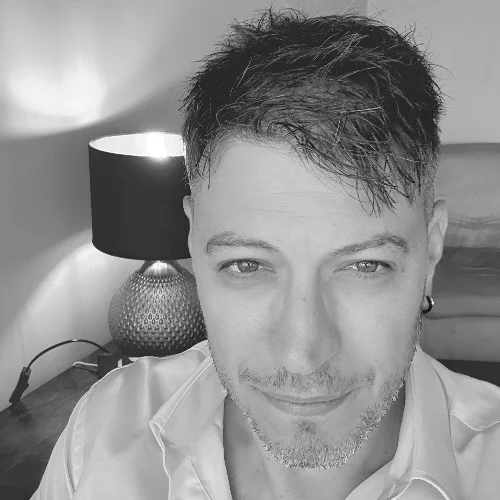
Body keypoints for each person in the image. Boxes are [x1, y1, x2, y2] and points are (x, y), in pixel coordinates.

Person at [32, 8, 500, 500]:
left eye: (366, 266)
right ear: (192, 241)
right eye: (246, 265)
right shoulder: (102, 431)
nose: (302, 356)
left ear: (432, 250)